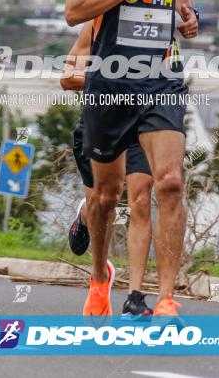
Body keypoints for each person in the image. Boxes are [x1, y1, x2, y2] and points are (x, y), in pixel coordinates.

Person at [64, 0, 197, 318]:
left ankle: (165, 297)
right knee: (104, 196)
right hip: (111, 80)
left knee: (171, 183)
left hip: (161, 78)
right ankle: (100, 277)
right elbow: (75, 10)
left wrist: (189, 19)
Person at [60, 22, 154, 320]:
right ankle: (99, 273)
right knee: (105, 200)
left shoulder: (160, 24)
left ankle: (135, 298)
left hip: (143, 125)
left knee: (140, 200)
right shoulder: (98, 24)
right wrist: (114, 79)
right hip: (99, 122)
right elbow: (69, 78)